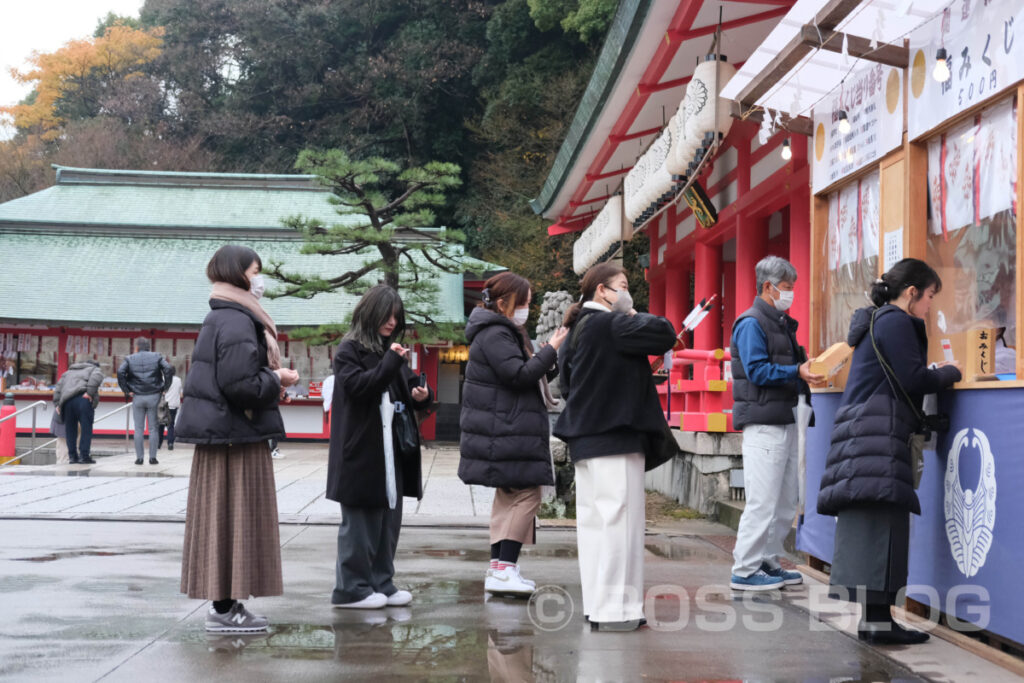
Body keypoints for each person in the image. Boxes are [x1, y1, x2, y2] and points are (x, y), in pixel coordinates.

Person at [818, 258, 961, 645]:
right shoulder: (896, 321)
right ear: (912, 292)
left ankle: (876, 620)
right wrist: (950, 372)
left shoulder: (875, 320)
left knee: (874, 523)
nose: (930, 306)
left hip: (864, 429)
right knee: (884, 523)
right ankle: (879, 623)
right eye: (930, 296)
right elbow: (914, 378)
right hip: (879, 431)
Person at [175, 244, 300, 633]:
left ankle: (227, 605)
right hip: (234, 435)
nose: (259, 279)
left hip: (225, 433)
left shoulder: (226, 315)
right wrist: (277, 379)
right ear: (237, 274)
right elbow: (239, 385)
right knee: (234, 520)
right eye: (255, 270)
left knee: (224, 522)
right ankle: (224, 609)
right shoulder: (236, 320)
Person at [553, 262, 677, 631]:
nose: (626, 292)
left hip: (585, 438)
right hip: (617, 435)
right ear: (602, 292)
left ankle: (598, 604)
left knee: (594, 524)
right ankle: (618, 609)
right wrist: (632, 312)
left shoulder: (576, 330)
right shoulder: (612, 324)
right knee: (620, 524)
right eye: (621, 286)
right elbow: (665, 333)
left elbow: (566, 385)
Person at [458, 272, 568, 597]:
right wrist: (552, 349)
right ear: (507, 302)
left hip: (504, 429)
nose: (528, 309)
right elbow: (518, 375)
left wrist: (548, 356)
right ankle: (504, 569)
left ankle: (500, 569)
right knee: (527, 495)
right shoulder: (496, 334)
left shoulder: (501, 332)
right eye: (525, 302)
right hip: (506, 429)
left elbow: (531, 370)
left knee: (508, 497)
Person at [327, 284, 433, 609]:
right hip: (361, 450)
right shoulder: (349, 351)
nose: (391, 321)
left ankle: (381, 583)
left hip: (392, 450)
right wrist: (391, 363)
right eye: (386, 314)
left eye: (396, 316)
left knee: (388, 521)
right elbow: (361, 388)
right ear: (369, 313)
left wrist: (421, 393)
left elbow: (409, 385)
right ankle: (351, 589)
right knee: (360, 523)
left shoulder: (392, 352)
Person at [728, 255, 822, 591]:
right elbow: (756, 371)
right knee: (762, 500)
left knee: (785, 501)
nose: (790, 293)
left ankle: (767, 560)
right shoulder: (752, 322)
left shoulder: (779, 321)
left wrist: (804, 370)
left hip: (784, 417)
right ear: (767, 287)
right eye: (786, 288)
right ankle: (744, 568)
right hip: (763, 421)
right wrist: (797, 371)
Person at [117, 338, 174, 465]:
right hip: (154, 395)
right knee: (153, 428)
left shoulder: (130, 358)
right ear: (149, 347)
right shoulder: (157, 356)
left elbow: (120, 372)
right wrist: (165, 387)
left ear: (137, 347)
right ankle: (153, 458)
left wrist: (126, 390)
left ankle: (139, 458)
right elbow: (168, 369)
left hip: (137, 396)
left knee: (138, 428)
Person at [52, 360, 104, 465]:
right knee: (86, 429)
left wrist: (57, 403)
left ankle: (72, 457)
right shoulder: (94, 369)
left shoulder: (68, 372)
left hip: (67, 402)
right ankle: (84, 456)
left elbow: (58, 388)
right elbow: (97, 378)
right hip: (83, 399)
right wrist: (89, 392)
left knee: (70, 430)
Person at [158, 373, 183, 451]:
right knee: (171, 425)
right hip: (173, 405)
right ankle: (170, 443)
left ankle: (158, 444)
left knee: (161, 424)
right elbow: (180, 392)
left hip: (163, 404)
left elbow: (159, 390)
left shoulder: (163, 378)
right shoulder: (178, 380)